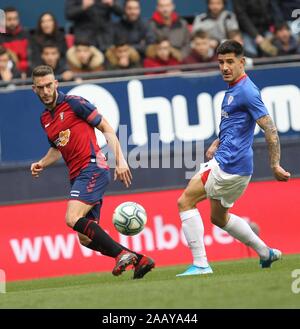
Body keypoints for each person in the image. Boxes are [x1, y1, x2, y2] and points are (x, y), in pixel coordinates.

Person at [176, 40, 290, 277]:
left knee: (185, 201)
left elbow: (269, 128)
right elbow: (238, 125)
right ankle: (265, 252)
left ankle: (201, 264)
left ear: (242, 62)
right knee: (219, 217)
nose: (225, 67)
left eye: (230, 62)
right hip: (240, 168)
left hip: (228, 165)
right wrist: (218, 141)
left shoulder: (247, 91)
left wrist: (275, 164)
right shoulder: (235, 89)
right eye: (221, 63)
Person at [30, 65, 154, 279]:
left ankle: (122, 254)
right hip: (77, 175)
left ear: (56, 84)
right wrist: (42, 162)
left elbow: (106, 128)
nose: (46, 91)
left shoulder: (74, 103)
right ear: (34, 89)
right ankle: (139, 259)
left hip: (93, 167)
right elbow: (57, 148)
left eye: (49, 85)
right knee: (85, 239)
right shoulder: (45, 119)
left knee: (72, 218)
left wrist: (120, 160)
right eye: (40, 87)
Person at [0, 7, 29, 73]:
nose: (12, 22)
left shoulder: (26, 34)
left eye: (15, 19)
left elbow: (32, 59)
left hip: (28, 73)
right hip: (8, 74)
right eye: (9, 19)